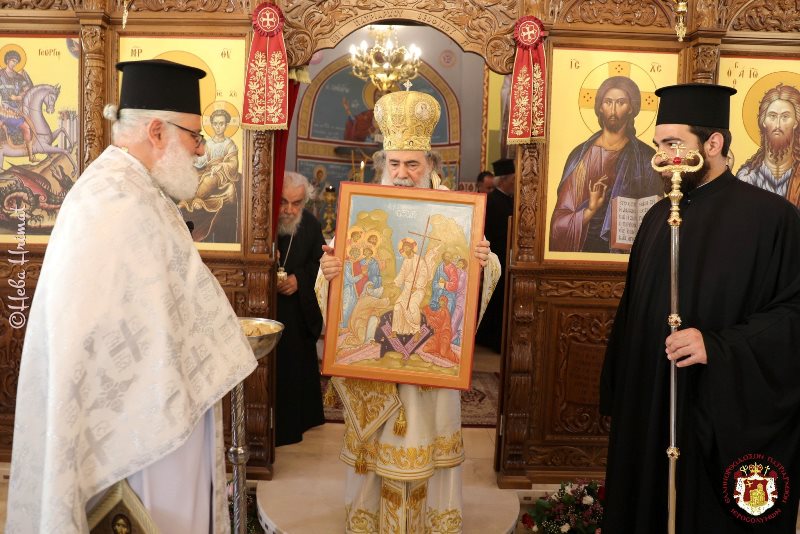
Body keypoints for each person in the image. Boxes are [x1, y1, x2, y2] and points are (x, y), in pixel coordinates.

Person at [6, 59, 257, 533]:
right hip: (138, 429)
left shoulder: (135, 189)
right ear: (157, 131)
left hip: (154, 414)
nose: (201, 149)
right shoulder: (114, 200)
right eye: (194, 136)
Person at [600, 83, 800, 533]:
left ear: (713, 144)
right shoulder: (657, 218)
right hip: (651, 400)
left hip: (720, 405)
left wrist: (719, 345)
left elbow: (793, 315)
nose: (663, 158)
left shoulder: (773, 219)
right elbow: (633, 312)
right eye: (658, 146)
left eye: (674, 144)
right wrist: (622, 392)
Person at [315, 88, 501, 533]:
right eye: (395, 163)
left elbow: (478, 274)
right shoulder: (363, 207)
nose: (402, 174)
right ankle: (370, 519)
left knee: (426, 433)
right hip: (377, 367)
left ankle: (430, 522)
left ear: (431, 165)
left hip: (428, 372)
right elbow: (338, 279)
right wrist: (330, 271)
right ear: (384, 163)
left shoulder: (455, 213)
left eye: (412, 164)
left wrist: (482, 260)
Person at [550, 75, 663, 252]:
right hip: (583, 249)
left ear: (631, 108)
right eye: (608, 102)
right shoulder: (580, 156)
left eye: (621, 102)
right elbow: (559, 222)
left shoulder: (645, 157)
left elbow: (653, 214)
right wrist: (590, 210)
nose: (613, 109)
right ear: (600, 107)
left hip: (628, 252)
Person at [274, 171, 326, 446]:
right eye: (283, 202)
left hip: (296, 310)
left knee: (295, 364)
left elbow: (321, 264)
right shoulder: (263, 222)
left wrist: (299, 280)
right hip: (268, 307)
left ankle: (297, 422)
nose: (289, 210)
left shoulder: (311, 226)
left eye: (296, 203)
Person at [180, 107, 241, 241]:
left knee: (209, 180)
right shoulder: (208, 143)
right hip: (207, 170)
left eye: (222, 123)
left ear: (226, 125)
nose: (218, 127)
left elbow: (233, 163)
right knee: (193, 179)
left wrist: (221, 166)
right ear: (212, 124)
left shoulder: (229, 144)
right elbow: (201, 160)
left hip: (222, 174)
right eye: (216, 123)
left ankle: (196, 201)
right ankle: (191, 201)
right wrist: (192, 160)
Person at [736, 83, 800, 207]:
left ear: (796, 123)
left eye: (785, 117)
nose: (778, 125)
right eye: (772, 116)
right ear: (763, 121)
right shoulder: (747, 178)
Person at [475, 157, 515, 353]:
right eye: (513, 179)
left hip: (506, 258)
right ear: (505, 180)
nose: (515, 183)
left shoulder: (509, 200)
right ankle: (489, 339)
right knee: (494, 300)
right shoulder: (491, 201)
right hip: (494, 257)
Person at [0, 49, 36, 161]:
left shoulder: (18, 77)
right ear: (7, 60)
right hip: (3, 109)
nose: (14, 63)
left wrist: (18, 97)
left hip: (16, 110)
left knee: (27, 127)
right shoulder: (0, 74)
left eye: (16, 62)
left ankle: (30, 156)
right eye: (12, 61)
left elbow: (28, 90)